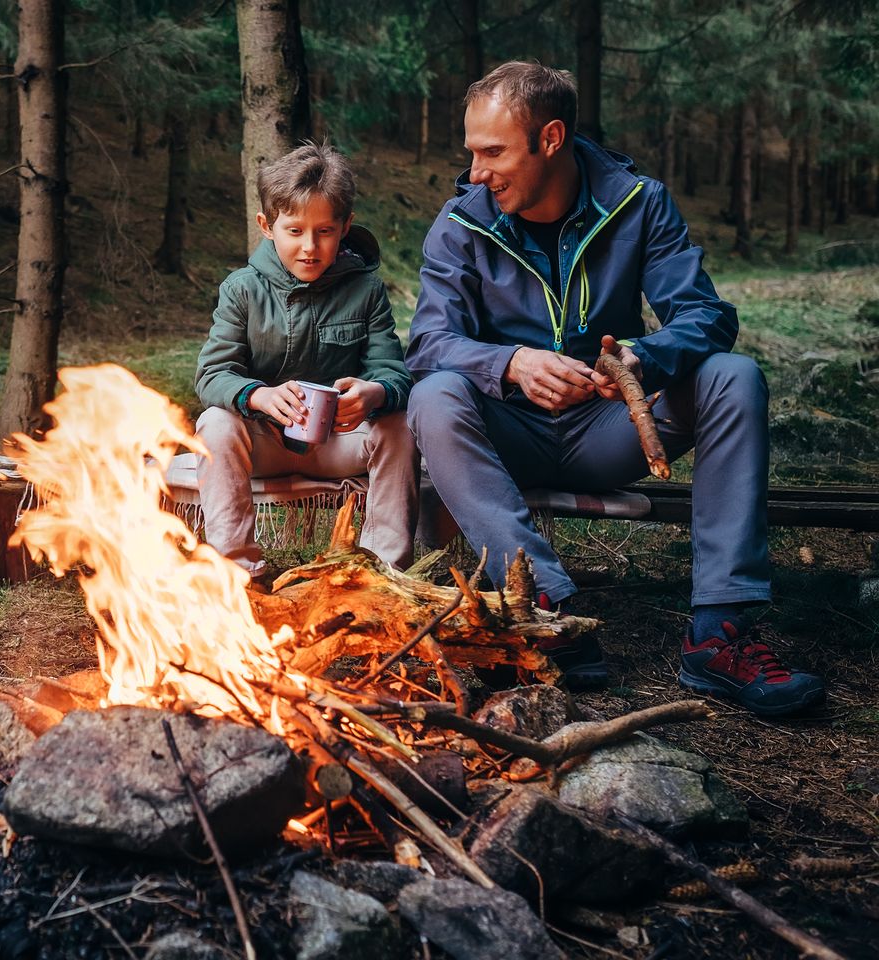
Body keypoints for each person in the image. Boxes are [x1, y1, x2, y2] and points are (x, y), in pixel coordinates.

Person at [406, 61, 825, 716]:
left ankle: (720, 634)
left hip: (611, 432)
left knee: (733, 378)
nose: (477, 172)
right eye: (472, 153)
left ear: (550, 139)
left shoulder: (638, 202)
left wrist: (641, 358)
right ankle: (546, 605)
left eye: (493, 152)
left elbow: (708, 317)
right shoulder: (462, 224)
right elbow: (428, 345)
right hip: (504, 435)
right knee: (433, 396)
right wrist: (511, 363)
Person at [194, 143, 419, 578]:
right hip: (265, 442)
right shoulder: (242, 290)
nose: (310, 248)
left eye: (325, 231)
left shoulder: (365, 290)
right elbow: (212, 374)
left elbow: (393, 373)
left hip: (341, 441)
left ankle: (381, 573)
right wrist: (258, 397)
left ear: (346, 226)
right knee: (214, 424)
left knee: (399, 424)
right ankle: (237, 574)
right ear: (266, 225)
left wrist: (374, 393)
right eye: (294, 231)